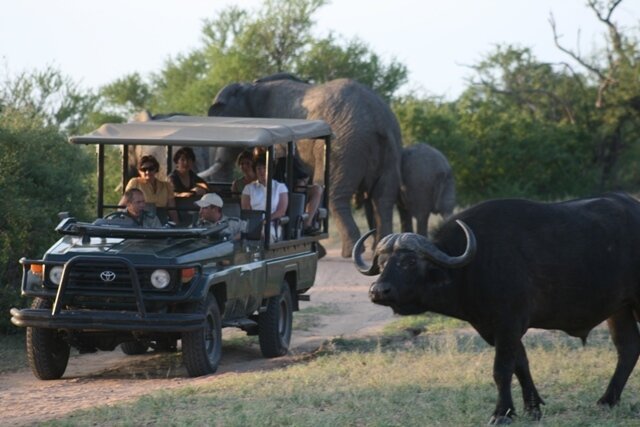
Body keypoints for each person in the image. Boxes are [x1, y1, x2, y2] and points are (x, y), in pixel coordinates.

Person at [241, 152, 288, 241]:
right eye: (259, 169)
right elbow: (246, 210)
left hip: (272, 224)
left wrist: (266, 220)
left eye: (264, 168)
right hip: (252, 223)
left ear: (271, 170)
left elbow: (281, 211)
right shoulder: (249, 188)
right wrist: (255, 223)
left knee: (264, 233)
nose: (262, 171)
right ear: (255, 170)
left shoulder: (280, 187)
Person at [120, 154, 179, 224]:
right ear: (139, 171)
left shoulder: (166, 186)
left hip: (161, 221)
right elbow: (122, 205)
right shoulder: (135, 182)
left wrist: (177, 226)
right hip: (141, 221)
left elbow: (172, 210)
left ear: (156, 169)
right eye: (144, 169)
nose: (147, 172)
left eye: (151, 169)